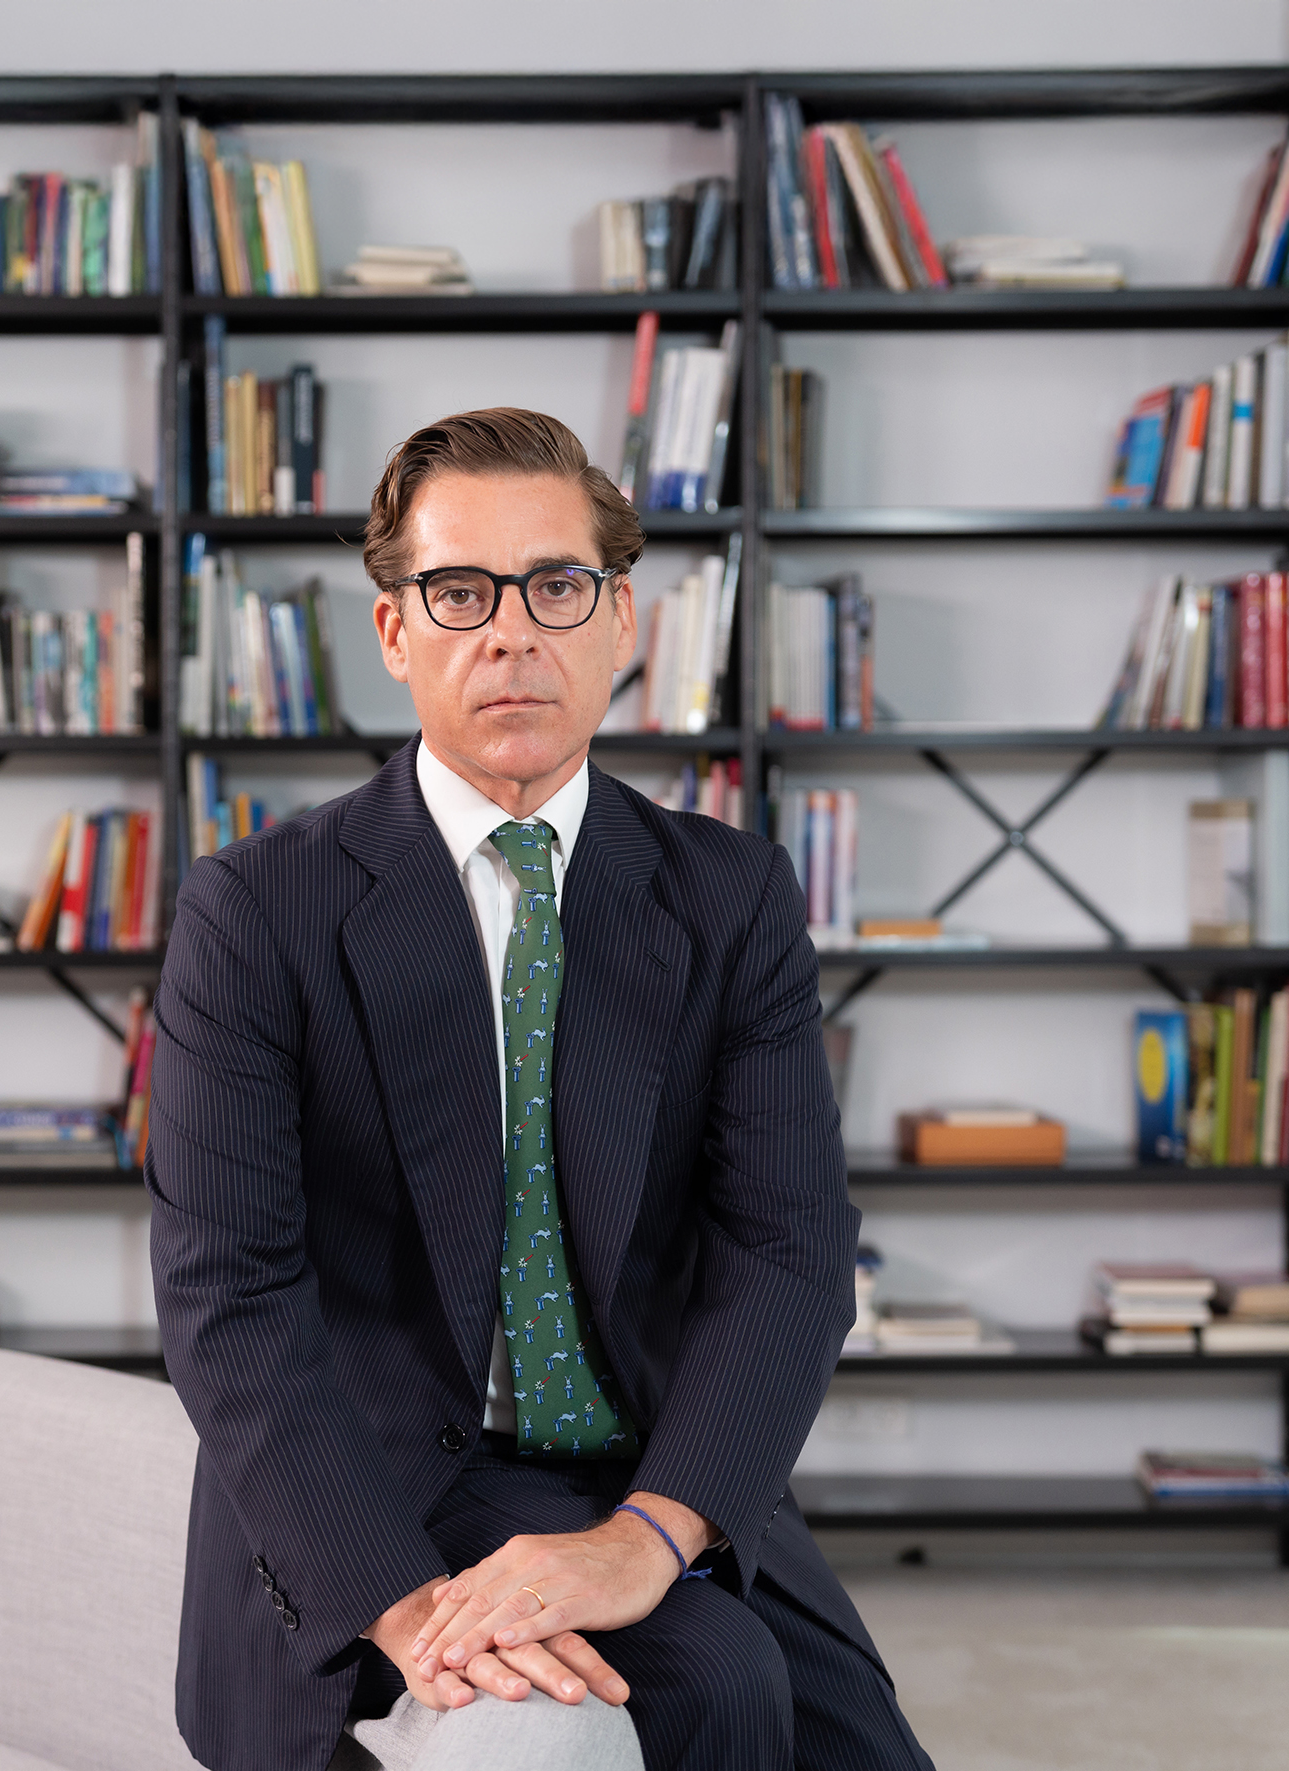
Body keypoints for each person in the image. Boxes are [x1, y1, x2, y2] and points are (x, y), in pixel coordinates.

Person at [149, 408, 935, 1771]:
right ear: (395, 631)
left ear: (621, 618)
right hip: (379, 1478)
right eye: (460, 592)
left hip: (648, 1454)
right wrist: (415, 1614)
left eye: (556, 586)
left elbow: (789, 1252)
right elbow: (228, 1295)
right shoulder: (257, 910)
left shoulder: (730, 895)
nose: (511, 634)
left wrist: (650, 1537)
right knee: (718, 1683)